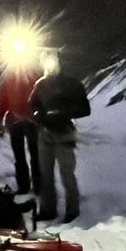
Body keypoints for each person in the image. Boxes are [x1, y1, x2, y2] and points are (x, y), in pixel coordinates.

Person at [29, 54, 90, 224]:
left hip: (64, 133)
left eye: (52, 62)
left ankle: (72, 210)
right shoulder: (40, 84)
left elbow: (85, 109)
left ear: (59, 63)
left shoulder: (71, 84)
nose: (49, 65)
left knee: (67, 174)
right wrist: (39, 116)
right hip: (45, 133)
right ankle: (48, 210)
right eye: (46, 62)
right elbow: (33, 104)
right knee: (45, 174)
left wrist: (62, 113)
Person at [0, 64, 41, 194]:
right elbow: (3, 104)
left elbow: (2, 105)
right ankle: (35, 186)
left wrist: (0, 122)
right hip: (28, 121)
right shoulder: (33, 79)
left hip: (20, 122)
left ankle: (26, 186)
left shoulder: (8, 82)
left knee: (25, 155)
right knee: (32, 155)